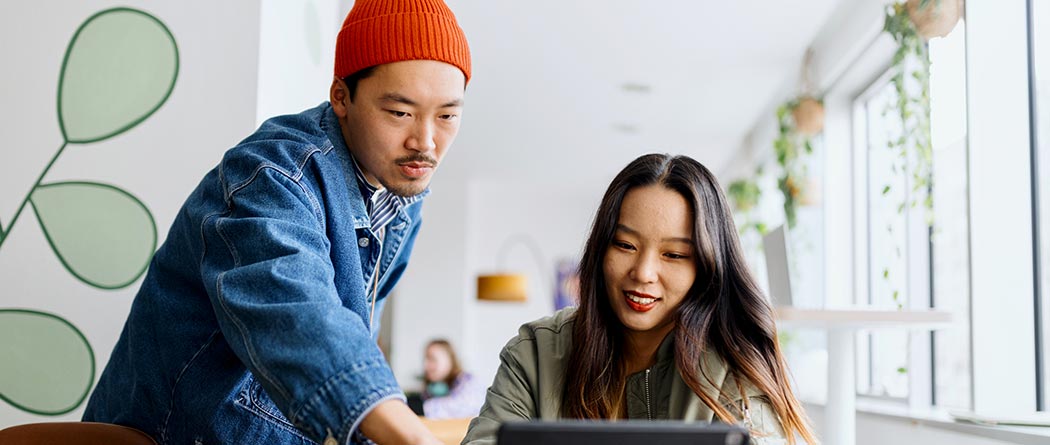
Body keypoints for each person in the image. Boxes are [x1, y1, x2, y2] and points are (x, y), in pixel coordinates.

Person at [82, 1, 471, 444]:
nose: (425, 142)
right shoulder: (270, 176)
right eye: (400, 113)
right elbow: (303, 319)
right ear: (342, 97)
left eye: (447, 116)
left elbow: (358, 342)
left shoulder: (401, 194)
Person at [462, 154, 819, 445]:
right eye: (625, 245)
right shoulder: (536, 351)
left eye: (675, 255)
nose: (644, 272)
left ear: (708, 267)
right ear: (601, 249)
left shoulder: (734, 366)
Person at [420, 339, 485, 419]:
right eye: (425, 359)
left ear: (450, 360)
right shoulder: (431, 388)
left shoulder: (469, 382)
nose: (426, 365)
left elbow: (464, 408)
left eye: (432, 359)